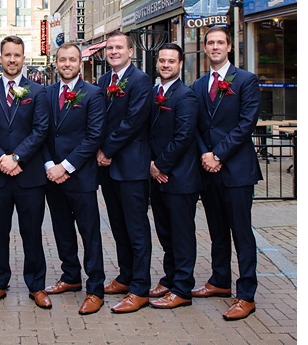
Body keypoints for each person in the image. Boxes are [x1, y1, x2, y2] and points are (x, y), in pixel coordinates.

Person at [0, 36, 50, 308]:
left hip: (29, 176)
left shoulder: (37, 92)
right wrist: (0, 159)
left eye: (17, 55)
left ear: (24, 58)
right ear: (0, 57)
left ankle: (37, 286)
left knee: (32, 232)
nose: (12, 60)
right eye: (7, 55)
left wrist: (16, 158)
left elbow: (40, 130)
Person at [192, 26, 262, 321]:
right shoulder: (197, 85)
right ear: (205, 48)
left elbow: (246, 124)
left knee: (241, 232)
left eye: (221, 42)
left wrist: (218, 154)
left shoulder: (246, 81)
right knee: (217, 230)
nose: (215, 47)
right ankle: (219, 281)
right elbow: (195, 125)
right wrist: (205, 155)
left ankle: (246, 294)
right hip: (208, 170)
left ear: (229, 47)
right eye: (210, 43)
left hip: (236, 170)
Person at [43, 43, 106, 315]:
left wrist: (65, 167)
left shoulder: (93, 94)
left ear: (81, 63)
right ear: (55, 63)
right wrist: (49, 165)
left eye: (72, 60)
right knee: (62, 229)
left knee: (90, 233)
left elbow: (93, 137)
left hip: (80, 176)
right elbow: (42, 133)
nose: (66, 64)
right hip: (52, 176)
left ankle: (96, 289)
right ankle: (70, 276)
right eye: (62, 60)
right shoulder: (45, 94)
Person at [97, 31, 153, 313]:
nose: (113, 51)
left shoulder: (141, 81)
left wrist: (105, 150)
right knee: (118, 226)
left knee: (137, 228)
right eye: (110, 48)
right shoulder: (104, 80)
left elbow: (132, 122)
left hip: (130, 166)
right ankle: (125, 275)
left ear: (131, 52)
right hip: (108, 169)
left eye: (119, 47)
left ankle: (141, 288)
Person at [148, 44, 201, 309]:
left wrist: (160, 166)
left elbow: (183, 137)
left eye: (171, 61)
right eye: (162, 60)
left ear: (180, 65)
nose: (166, 65)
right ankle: (169, 279)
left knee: (181, 235)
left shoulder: (185, 96)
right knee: (165, 232)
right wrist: (151, 165)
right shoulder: (154, 92)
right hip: (157, 177)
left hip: (178, 178)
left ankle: (182, 289)